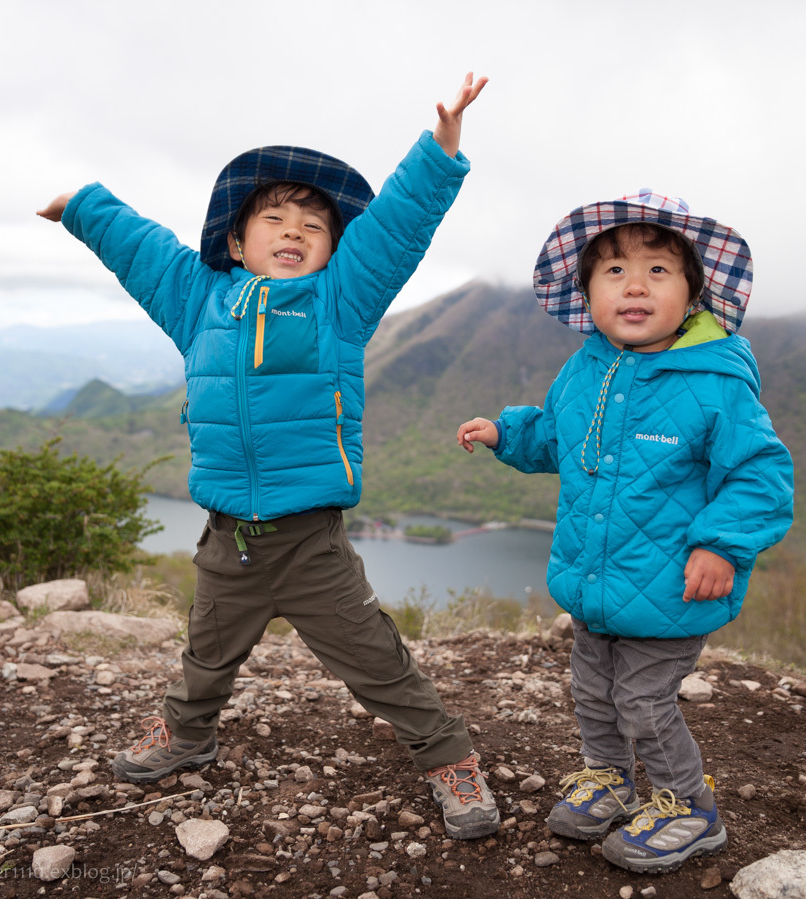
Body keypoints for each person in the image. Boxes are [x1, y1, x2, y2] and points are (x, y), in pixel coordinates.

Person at [37, 74, 500, 840]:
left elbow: (395, 228)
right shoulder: (197, 301)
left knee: (376, 661)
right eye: (274, 218)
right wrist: (81, 206)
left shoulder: (340, 303)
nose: (293, 231)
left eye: (312, 225)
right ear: (233, 241)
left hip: (309, 538)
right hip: (228, 535)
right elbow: (142, 249)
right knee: (206, 651)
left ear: (331, 248)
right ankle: (188, 734)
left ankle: (448, 755)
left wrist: (441, 148)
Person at [455, 190, 793, 871]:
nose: (634, 284)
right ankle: (610, 779)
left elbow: (761, 474)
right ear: (587, 292)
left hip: (671, 589)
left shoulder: (716, 381)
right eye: (613, 271)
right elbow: (556, 435)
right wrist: (506, 433)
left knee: (643, 699)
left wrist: (721, 543)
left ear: (694, 293)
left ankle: (688, 806)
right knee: (593, 692)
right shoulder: (588, 367)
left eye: (658, 271)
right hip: (595, 583)